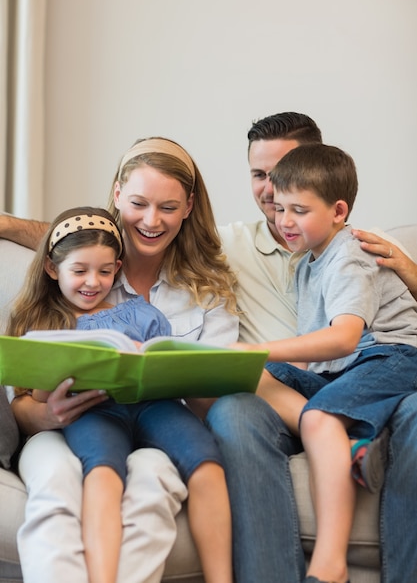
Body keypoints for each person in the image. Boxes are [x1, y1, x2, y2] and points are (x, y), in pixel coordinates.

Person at [3, 114, 417, 582]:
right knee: (222, 414)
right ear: (118, 195)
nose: (273, 191)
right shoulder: (116, 262)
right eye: (261, 175)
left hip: (353, 370)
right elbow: (68, 242)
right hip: (116, 414)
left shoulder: (328, 250)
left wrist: (408, 269)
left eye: (284, 176)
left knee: (170, 466)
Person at [9, 137, 239, 583]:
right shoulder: (75, 278)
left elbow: (213, 395)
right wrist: (46, 409)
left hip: (161, 414)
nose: (151, 220)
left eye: (167, 207)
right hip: (85, 417)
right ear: (117, 195)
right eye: (138, 203)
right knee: (78, 475)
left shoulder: (203, 289)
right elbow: (63, 243)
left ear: (189, 206)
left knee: (159, 476)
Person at [205, 112, 417, 583]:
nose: (278, 208)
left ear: (337, 209)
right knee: (252, 384)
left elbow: (344, 337)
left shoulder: (354, 251)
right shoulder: (298, 257)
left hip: (387, 356)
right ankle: (354, 441)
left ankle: (330, 564)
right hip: (340, 371)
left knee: (319, 413)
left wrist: (262, 351)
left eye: (294, 204)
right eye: (263, 181)